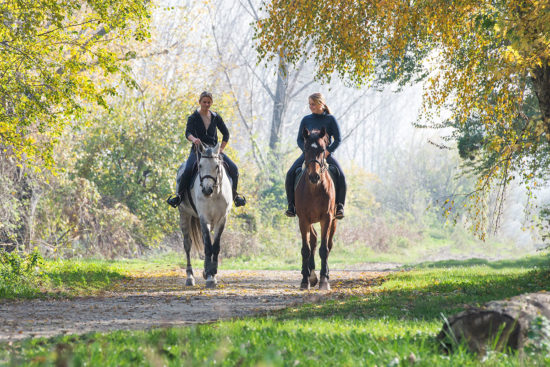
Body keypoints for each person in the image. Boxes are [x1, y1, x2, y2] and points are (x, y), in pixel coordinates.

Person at [167, 91, 246, 208]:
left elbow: (226, 134)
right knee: (188, 169)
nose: (206, 104)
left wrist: (221, 149)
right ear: (200, 102)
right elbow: (187, 133)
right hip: (198, 150)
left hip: (214, 151)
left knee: (234, 168)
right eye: (204, 102)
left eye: (209, 102)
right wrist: (194, 139)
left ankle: (235, 196)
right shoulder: (193, 117)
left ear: (211, 103)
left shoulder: (216, 117)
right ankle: (179, 196)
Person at [285, 92, 346, 219]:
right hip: (308, 155)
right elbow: (299, 140)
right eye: (309, 104)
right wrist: (306, 151)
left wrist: (328, 151)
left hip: (325, 155)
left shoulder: (330, 119)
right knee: (290, 174)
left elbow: (338, 139)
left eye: (313, 104)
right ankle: (291, 206)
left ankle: (339, 206)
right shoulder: (306, 120)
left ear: (321, 104)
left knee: (341, 176)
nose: (310, 106)